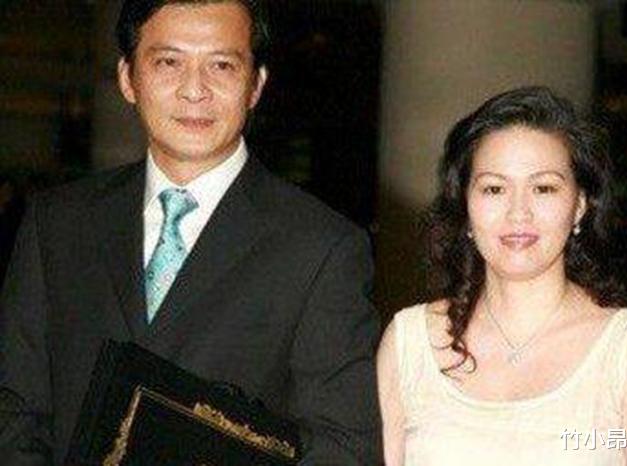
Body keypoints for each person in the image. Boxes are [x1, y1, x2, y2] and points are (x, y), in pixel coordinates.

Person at [0, 1, 382, 464]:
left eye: (221, 65)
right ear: (127, 78)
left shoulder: (323, 248)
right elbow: (15, 410)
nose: (195, 90)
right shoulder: (57, 223)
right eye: (169, 62)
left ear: (256, 85)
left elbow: (343, 445)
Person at [377, 86, 627, 465]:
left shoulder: (625, 351)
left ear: (580, 205)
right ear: (465, 204)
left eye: (544, 188)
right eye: (494, 188)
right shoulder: (411, 343)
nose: (519, 212)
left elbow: (601, 441)